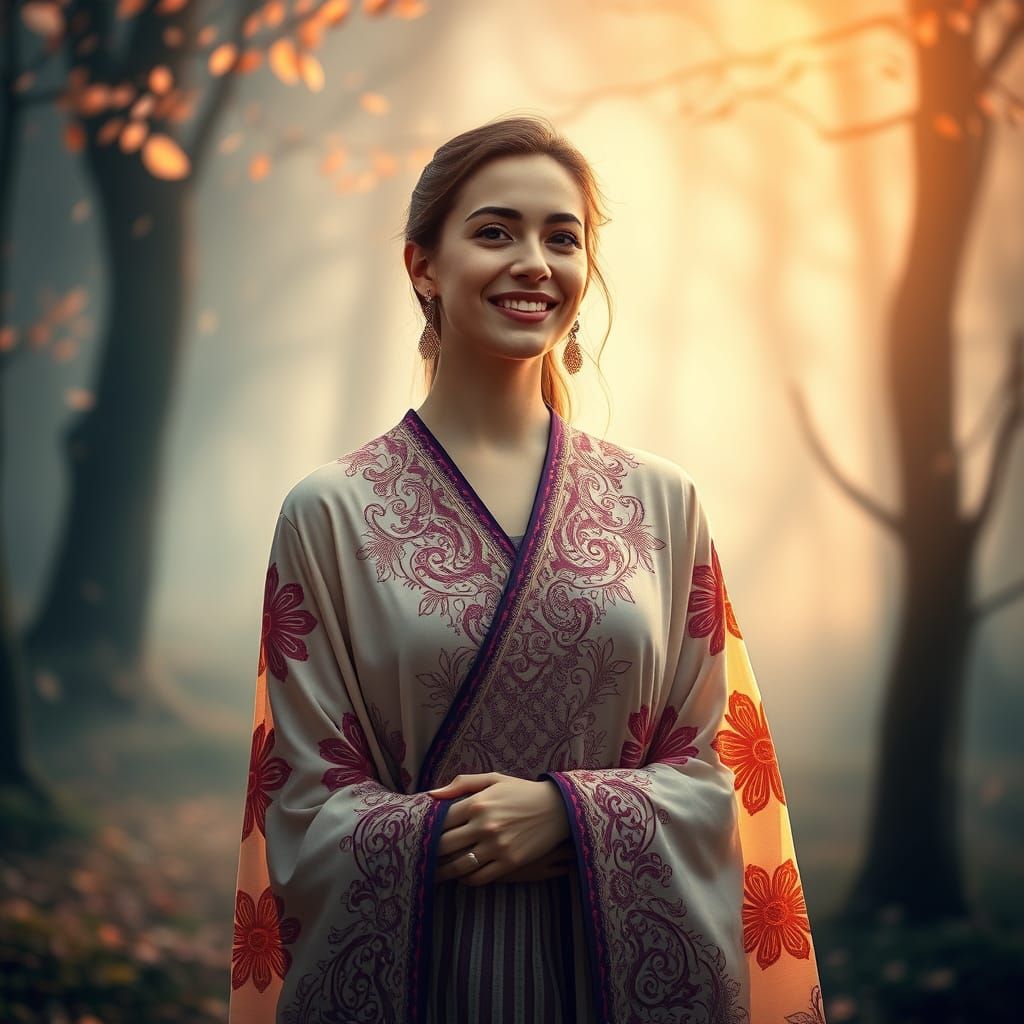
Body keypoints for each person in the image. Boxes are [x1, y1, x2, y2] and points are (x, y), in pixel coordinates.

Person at [229, 114, 826, 1024]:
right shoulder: (330, 511)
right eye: (495, 231)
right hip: (428, 980)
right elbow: (303, 806)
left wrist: (568, 816)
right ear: (423, 265)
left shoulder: (662, 503)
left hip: (612, 981)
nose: (534, 263)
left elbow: (718, 772)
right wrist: (449, 833)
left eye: (563, 237)